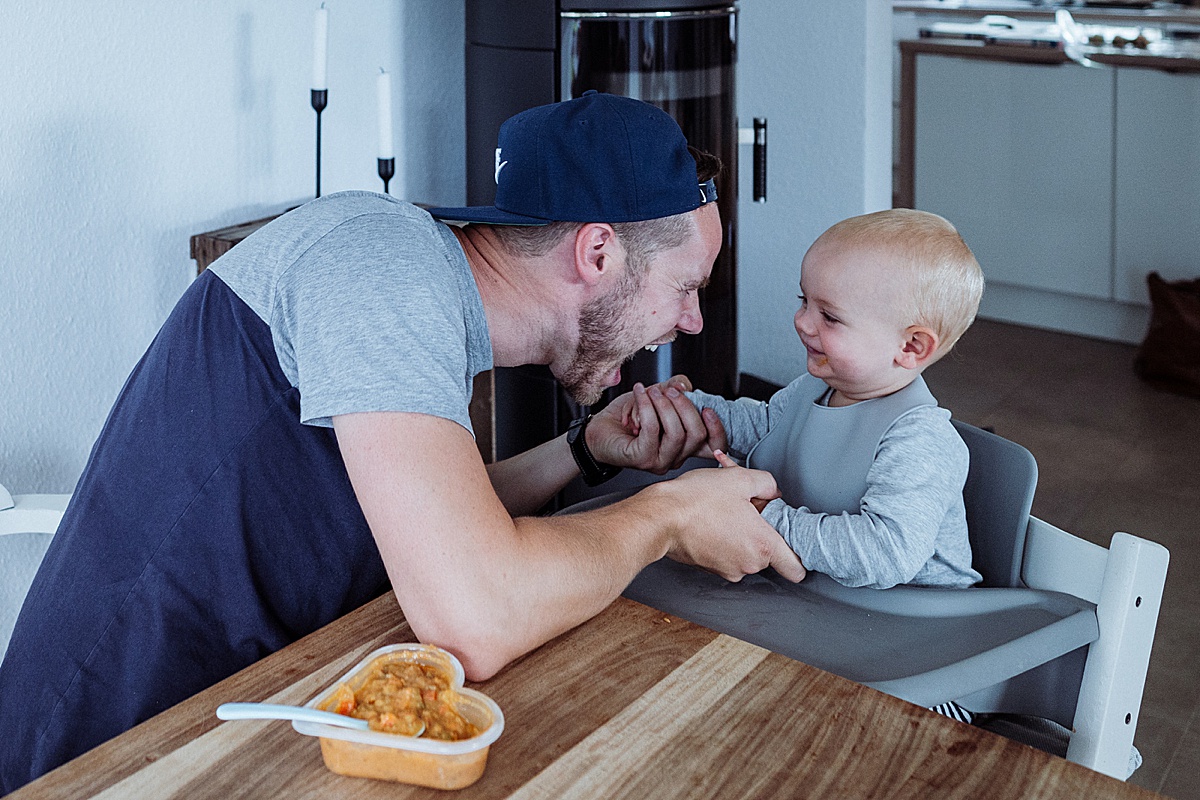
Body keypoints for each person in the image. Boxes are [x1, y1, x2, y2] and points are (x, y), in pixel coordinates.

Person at [0, 91, 804, 792]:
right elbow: (475, 615)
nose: (692, 322)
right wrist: (666, 517)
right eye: (687, 285)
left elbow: (433, 522)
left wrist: (586, 451)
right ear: (598, 252)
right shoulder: (384, 270)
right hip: (110, 751)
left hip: (254, 710)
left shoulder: (418, 285)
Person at [633, 208, 985, 590]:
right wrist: (686, 408)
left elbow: (886, 554)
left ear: (911, 346)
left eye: (829, 317)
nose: (802, 321)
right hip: (823, 599)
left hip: (915, 621)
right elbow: (764, 428)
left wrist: (769, 517)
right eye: (804, 301)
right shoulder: (812, 388)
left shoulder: (920, 441)